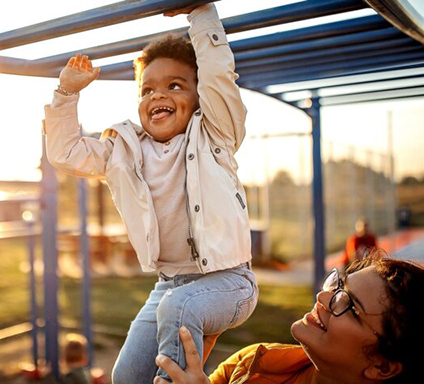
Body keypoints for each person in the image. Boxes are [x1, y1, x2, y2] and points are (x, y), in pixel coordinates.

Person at [44, 3, 257, 382]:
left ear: (198, 98)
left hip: (230, 282)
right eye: (148, 89)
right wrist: (65, 94)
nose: (158, 95)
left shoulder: (214, 135)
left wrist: (202, 14)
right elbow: (65, 154)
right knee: (124, 376)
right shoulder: (123, 149)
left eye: (175, 85)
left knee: (179, 307)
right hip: (168, 285)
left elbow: (218, 76)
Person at [154, 251, 424, 384]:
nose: (323, 298)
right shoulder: (255, 361)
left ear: (382, 367)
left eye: (348, 304)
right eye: (338, 285)